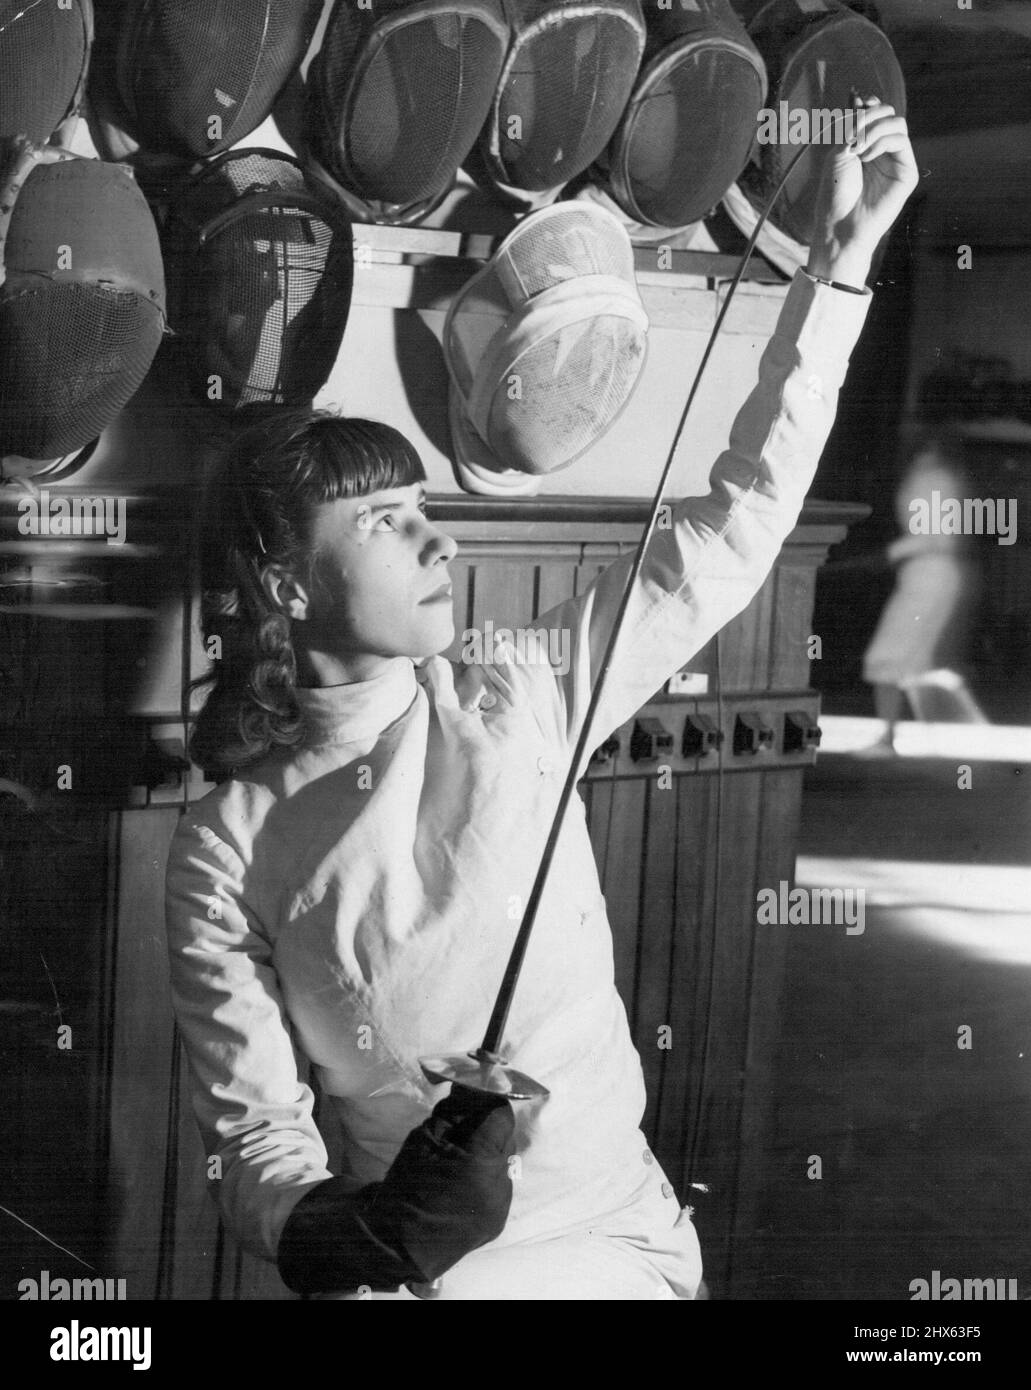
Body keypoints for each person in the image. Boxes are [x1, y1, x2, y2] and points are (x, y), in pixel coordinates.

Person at [164, 101, 918, 1300]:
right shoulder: (226, 846)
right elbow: (256, 1137)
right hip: (417, 1275)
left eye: (426, 510)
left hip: (618, 1238)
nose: (435, 546)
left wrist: (836, 271)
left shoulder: (518, 690)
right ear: (278, 579)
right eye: (382, 520)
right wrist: (343, 1236)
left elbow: (733, 527)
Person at [861, 433, 987, 753]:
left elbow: (936, 535)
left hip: (929, 572)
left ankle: (890, 739)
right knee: (913, 664)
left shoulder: (932, 477)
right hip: (931, 571)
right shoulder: (939, 476)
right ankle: (967, 734)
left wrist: (889, 554)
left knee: (887, 659)